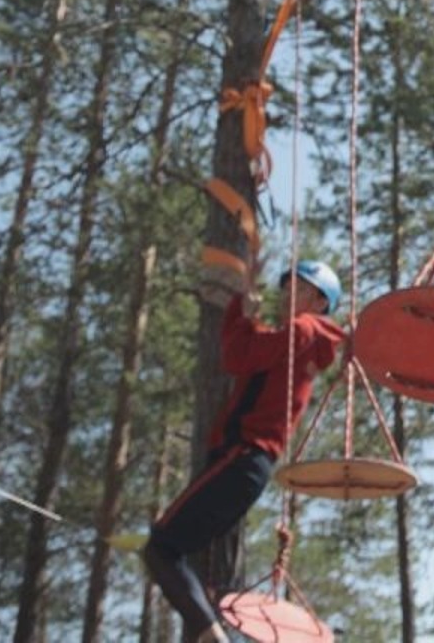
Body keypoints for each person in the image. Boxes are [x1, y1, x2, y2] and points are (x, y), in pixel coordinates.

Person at [144, 260, 345, 643]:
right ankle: (211, 628)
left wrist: (238, 311)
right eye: (287, 286)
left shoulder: (303, 330)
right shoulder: (298, 339)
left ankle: (210, 635)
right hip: (245, 465)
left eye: (300, 288)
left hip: (243, 457)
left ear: (320, 302)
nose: (287, 294)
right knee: (191, 564)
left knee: (161, 548)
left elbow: (238, 357)